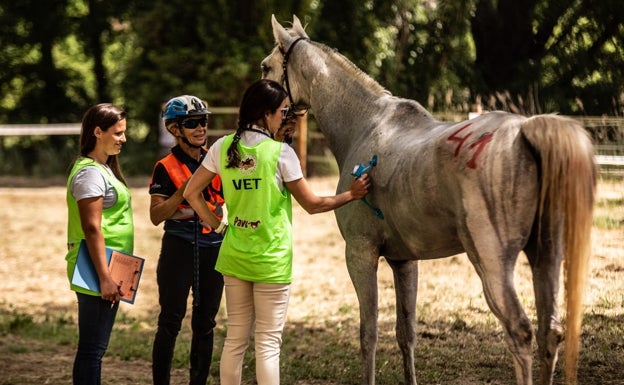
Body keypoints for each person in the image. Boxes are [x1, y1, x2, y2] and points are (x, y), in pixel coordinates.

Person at [183, 79, 370, 385]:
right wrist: (350, 195)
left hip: (234, 255)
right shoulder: (280, 154)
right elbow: (312, 204)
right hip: (271, 259)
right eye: (283, 111)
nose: (285, 117)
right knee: (268, 343)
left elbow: (192, 192)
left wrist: (217, 225)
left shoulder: (221, 146)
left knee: (235, 339)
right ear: (266, 113)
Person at [149, 95, 225, 385]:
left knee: (205, 323)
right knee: (170, 320)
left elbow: (222, 207)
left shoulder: (216, 161)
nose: (200, 128)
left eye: (203, 121)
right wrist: (183, 193)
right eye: (192, 123)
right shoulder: (164, 167)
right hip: (178, 249)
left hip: (213, 248)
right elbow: (157, 215)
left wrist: (193, 210)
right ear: (175, 129)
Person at [65, 103, 134, 385]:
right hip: (98, 268)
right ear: (97, 132)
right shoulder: (90, 173)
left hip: (112, 265)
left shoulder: (103, 169)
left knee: (97, 349)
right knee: (92, 350)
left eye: (124, 133)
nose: (123, 139)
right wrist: (105, 278)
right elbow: (91, 227)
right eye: (117, 133)